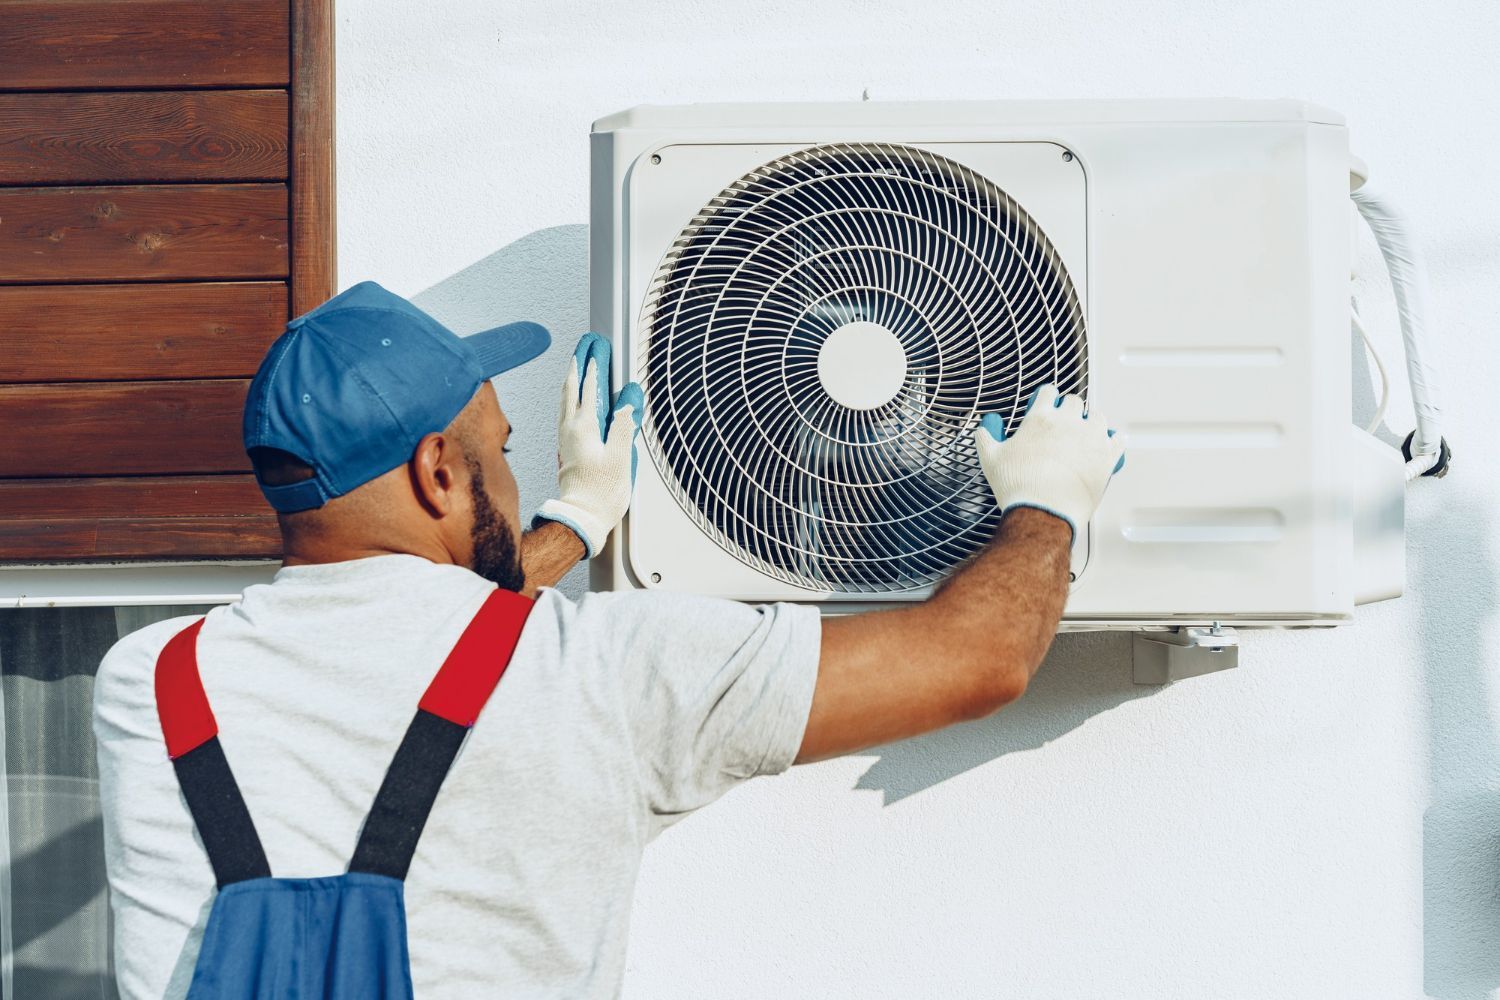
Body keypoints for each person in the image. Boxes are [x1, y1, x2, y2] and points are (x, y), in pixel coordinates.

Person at [94, 281, 1123, 998]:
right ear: (439, 474)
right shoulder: (609, 671)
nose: (507, 463)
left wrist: (573, 525)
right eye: (498, 448)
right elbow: (978, 657)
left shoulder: (148, 683)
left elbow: (429, 647)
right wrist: (1049, 503)